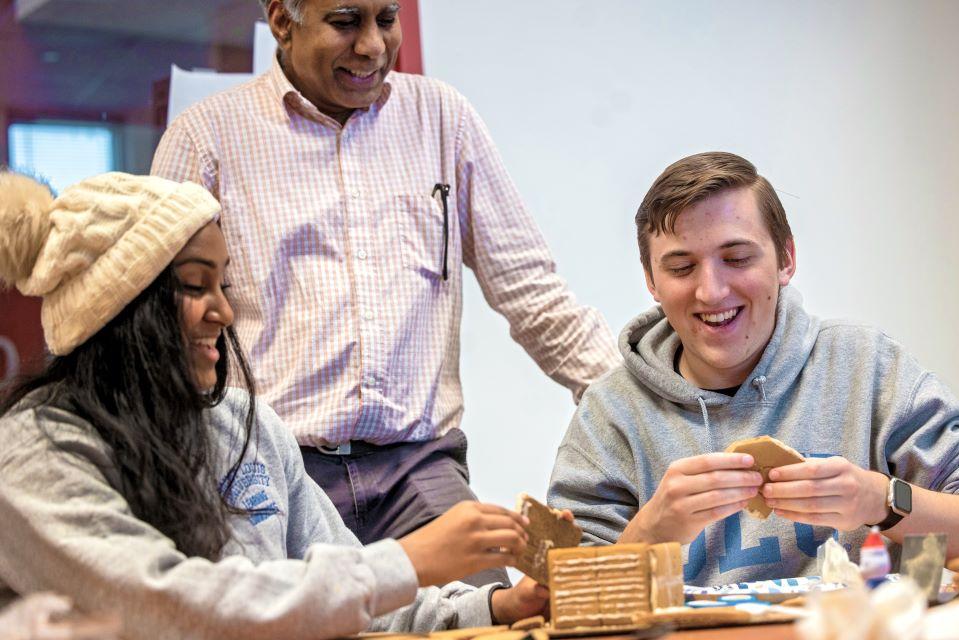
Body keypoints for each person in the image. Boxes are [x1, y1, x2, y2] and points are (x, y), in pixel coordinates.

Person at [149, 0, 620, 585]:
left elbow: (533, 292)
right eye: (346, 22)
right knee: (274, 619)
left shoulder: (442, 117)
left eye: (387, 19)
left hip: (418, 470)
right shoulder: (207, 137)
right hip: (269, 467)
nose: (373, 45)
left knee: (488, 615)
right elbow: (155, 325)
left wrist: (636, 412)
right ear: (281, 19)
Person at [0, 171, 548, 639]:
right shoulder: (36, 453)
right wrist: (406, 561)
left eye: (225, 283)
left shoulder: (243, 425)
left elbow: (339, 596)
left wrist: (494, 608)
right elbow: (166, 605)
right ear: (115, 308)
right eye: (196, 285)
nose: (225, 312)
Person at [547, 151, 959, 587]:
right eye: (682, 267)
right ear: (651, 280)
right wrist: (651, 532)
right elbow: (564, 597)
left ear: (785, 259)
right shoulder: (610, 414)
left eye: (738, 258)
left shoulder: (867, 365)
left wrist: (882, 501)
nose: (711, 291)